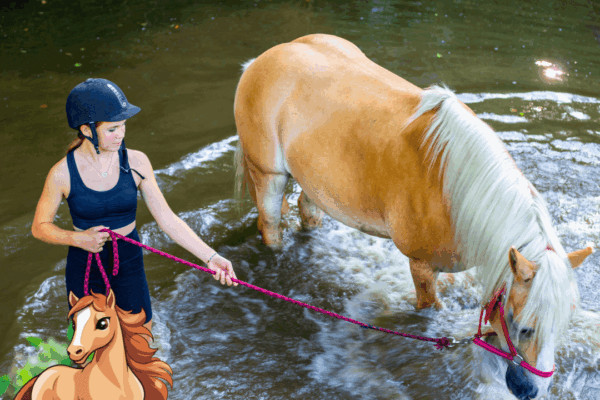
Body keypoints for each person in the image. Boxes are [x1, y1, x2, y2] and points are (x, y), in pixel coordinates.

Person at [32, 78, 237, 331]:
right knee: (92, 342)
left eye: (123, 125)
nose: (121, 134)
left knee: (141, 337)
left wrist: (211, 257)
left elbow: (167, 219)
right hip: (86, 264)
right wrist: (77, 238)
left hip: (128, 261)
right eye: (112, 129)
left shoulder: (137, 162)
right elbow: (39, 227)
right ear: (87, 130)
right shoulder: (62, 173)